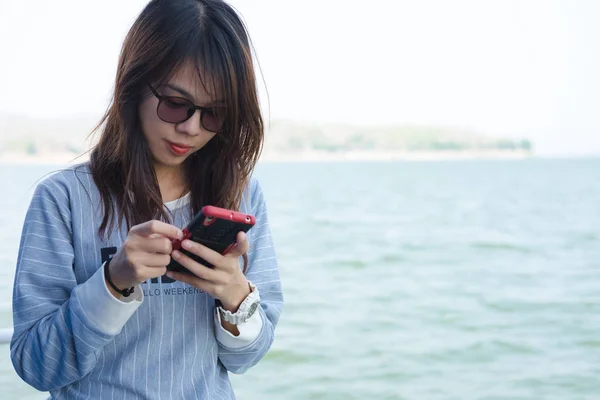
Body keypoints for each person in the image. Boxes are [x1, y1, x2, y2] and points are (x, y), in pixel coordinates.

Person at [10, 0, 283, 398]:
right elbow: (37, 366)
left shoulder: (241, 194)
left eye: (214, 114)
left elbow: (246, 359)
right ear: (134, 85)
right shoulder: (63, 198)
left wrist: (235, 296)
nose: (190, 128)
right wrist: (113, 281)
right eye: (175, 103)